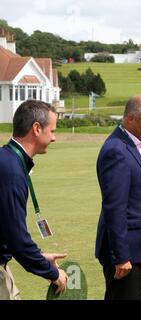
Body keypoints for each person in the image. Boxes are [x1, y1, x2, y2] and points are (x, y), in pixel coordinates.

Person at [95, 95, 141, 300]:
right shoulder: (116, 151)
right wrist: (121, 257)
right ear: (130, 119)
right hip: (127, 256)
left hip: (138, 249)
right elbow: (114, 208)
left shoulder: (131, 144)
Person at [0, 100, 68, 300]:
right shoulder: (11, 171)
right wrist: (53, 273)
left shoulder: (7, 159)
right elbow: (17, 240)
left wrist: (40, 258)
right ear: (37, 128)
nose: (54, 138)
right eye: (52, 131)